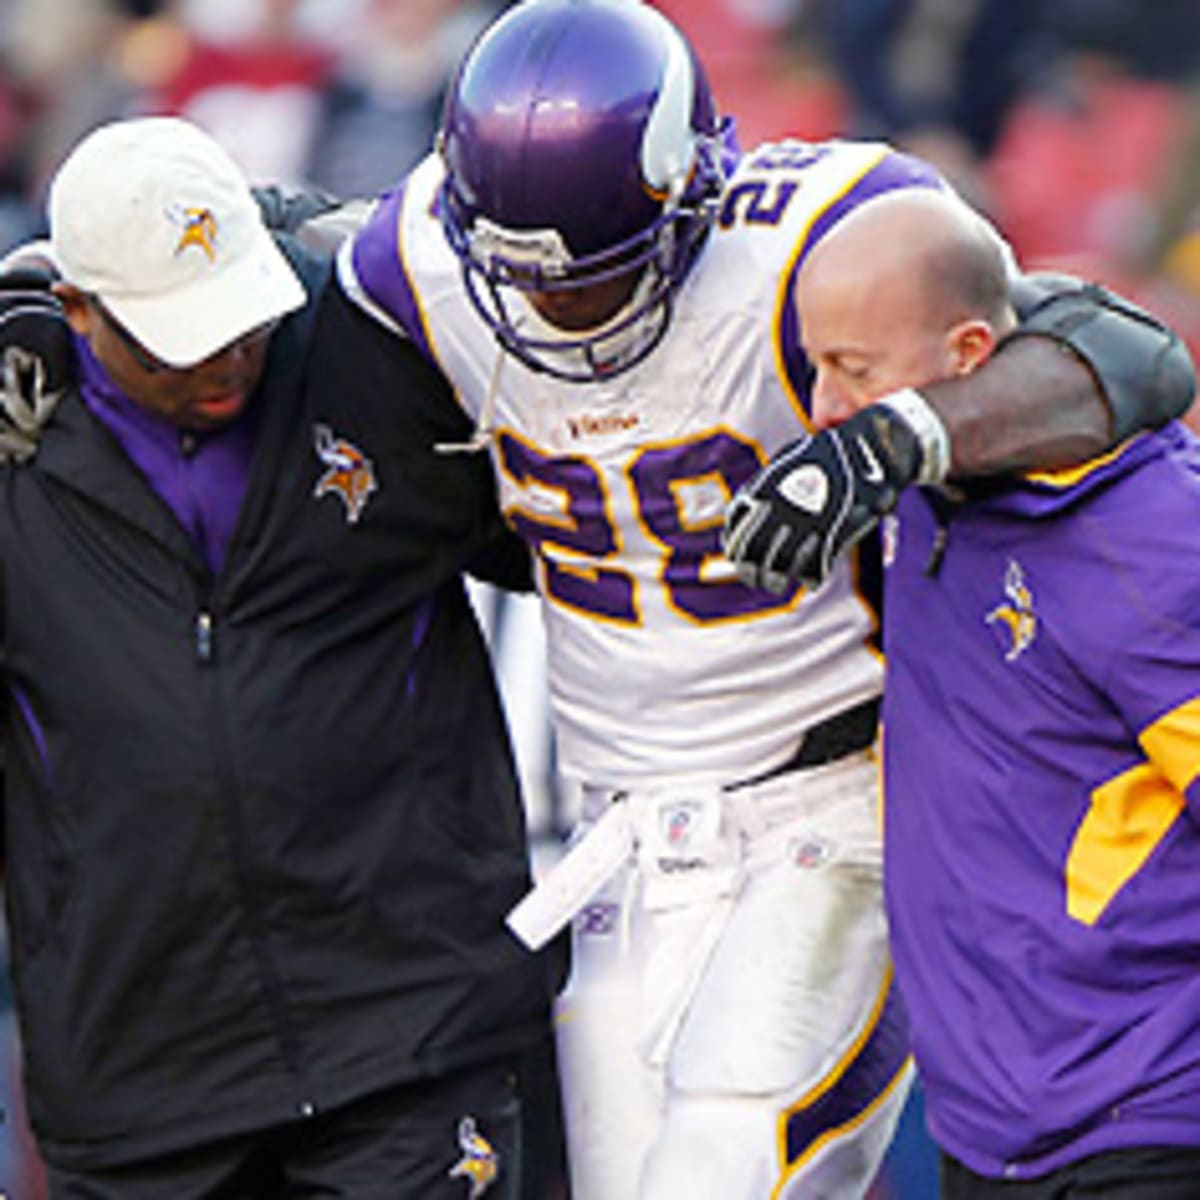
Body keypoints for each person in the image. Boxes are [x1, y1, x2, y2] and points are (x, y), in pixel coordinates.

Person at [330, 3, 1193, 1196]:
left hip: (821, 803)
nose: (564, 312)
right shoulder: (414, 257)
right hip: (617, 830)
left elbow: (1124, 354)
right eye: (528, 283)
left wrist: (893, 439)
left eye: (595, 274)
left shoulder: (811, 237)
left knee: (718, 1173)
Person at [0, 115, 564, 1199]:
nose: (229, 358)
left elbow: (589, 527)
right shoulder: (18, 454)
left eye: (243, 318)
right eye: (183, 339)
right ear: (78, 310)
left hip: (417, 1033)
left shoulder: (367, 359)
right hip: (141, 1083)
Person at [792, 184, 1200, 1199]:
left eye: (856, 370)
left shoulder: (1147, 536)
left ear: (971, 355)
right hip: (990, 1121)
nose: (826, 409)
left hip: (1145, 1115)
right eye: (816, 364)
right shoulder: (926, 502)